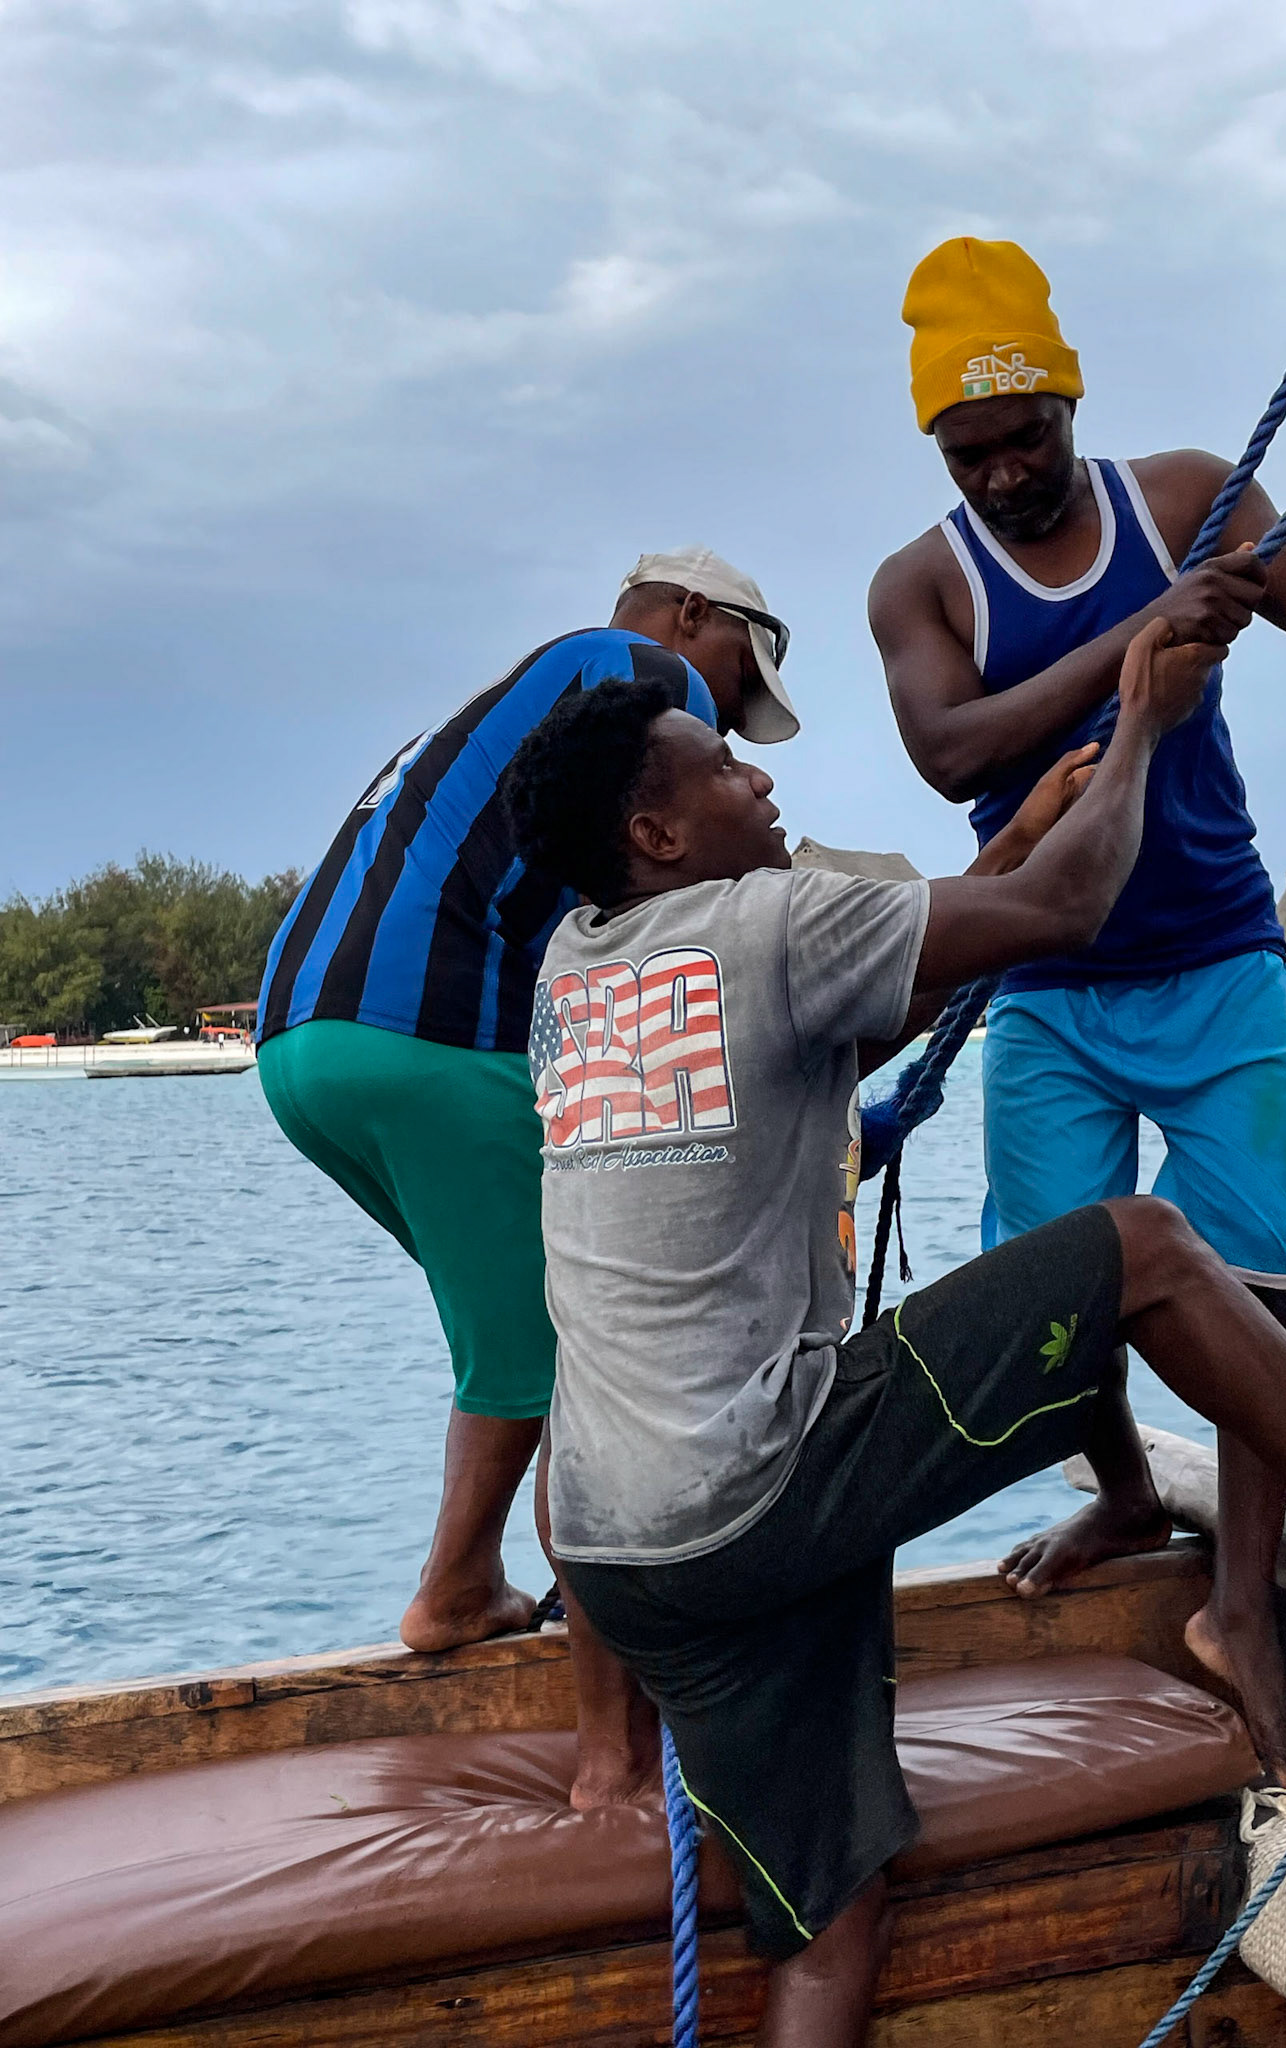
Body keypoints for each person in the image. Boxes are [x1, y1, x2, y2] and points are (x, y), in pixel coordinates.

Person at [504, 626, 1286, 2048]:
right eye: (724, 769)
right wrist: (1144, 719)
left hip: (620, 1552)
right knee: (1150, 1249)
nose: (758, 782)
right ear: (657, 830)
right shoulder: (767, 925)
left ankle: (1176, 1508)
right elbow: (1066, 914)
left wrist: (1022, 830)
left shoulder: (577, 974)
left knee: (831, 1912)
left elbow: (865, 1006)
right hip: (756, 1486)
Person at [867, 236, 1286, 1777]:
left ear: (1072, 404)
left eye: (1029, 435)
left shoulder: (1190, 500)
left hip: (1218, 956)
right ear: (939, 448)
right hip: (1050, 986)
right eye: (974, 449)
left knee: (1251, 1288)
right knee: (1060, 1293)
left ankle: (1236, 1610)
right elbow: (953, 754)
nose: (1008, 470)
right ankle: (1130, 1487)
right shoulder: (924, 581)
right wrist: (1137, 646)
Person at [255, 547, 797, 1806]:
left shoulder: (501, 703)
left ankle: (458, 1586)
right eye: (730, 692)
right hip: (425, 1043)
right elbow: (644, 902)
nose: (723, 729)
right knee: (582, 1361)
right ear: (691, 618)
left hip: (305, 1044)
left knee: (521, 1329)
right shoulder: (629, 671)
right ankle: (614, 1761)